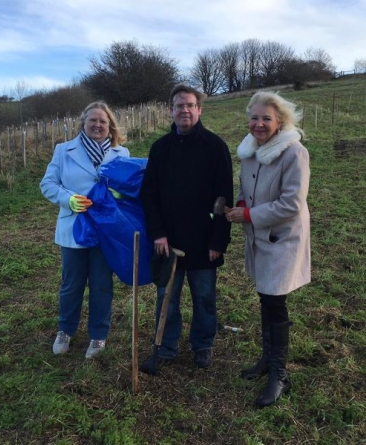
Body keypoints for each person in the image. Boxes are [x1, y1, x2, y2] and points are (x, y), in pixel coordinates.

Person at [140, 84, 234, 369]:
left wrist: (219, 241)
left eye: (190, 105)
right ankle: (165, 347)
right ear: (171, 110)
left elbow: (223, 199)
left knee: (204, 296)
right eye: (179, 105)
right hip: (168, 241)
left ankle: (202, 345)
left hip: (204, 241)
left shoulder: (216, 148)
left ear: (199, 109)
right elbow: (150, 194)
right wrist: (158, 233)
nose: (185, 110)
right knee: (166, 297)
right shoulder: (160, 149)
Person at [226, 91, 310, 408]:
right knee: (265, 296)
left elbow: (291, 203)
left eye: (266, 118)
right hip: (258, 236)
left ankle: (279, 375)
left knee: (275, 301)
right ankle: (266, 359)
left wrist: (248, 215)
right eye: (254, 118)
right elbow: (244, 188)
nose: (259, 124)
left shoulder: (294, 153)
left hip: (282, 239)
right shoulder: (249, 153)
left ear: (279, 122)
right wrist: (239, 204)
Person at [40, 101, 130, 359]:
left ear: (110, 125)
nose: (98, 125)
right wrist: (68, 198)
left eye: (103, 121)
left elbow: (128, 190)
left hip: (105, 230)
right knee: (71, 284)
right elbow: (47, 184)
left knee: (102, 285)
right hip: (73, 228)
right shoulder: (63, 150)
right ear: (84, 123)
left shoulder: (121, 154)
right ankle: (65, 330)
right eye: (93, 120)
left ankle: (98, 336)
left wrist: (117, 195)